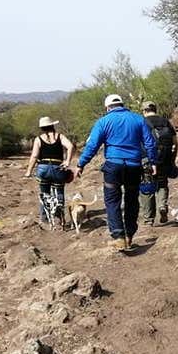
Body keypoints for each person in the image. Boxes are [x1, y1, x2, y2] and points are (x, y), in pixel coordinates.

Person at [74, 94, 157, 251]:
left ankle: (118, 236)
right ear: (122, 104)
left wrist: (81, 164)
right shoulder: (138, 119)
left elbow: (92, 145)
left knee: (112, 201)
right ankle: (129, 236)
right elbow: (150, 143)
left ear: (107, 107)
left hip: (113, 165)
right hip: (134, 165)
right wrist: (153, 162)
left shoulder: (103, 122)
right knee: (132, 199)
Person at [24, 116, 74, 226]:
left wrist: (29, 171)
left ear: (42, 128)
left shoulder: (38, 139)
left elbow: (34, 156)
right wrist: (67, 161)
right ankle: (59, 218)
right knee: (59, 192)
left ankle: (45, 218)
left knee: (44, 194)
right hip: (58, 168)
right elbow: (70, 146)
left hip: (43, 168)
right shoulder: (60, 137)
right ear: (52, 125)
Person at [139, 101, 178, 225]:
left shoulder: (142, 122)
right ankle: (162, 205)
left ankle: (149, 219)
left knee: (147, 187)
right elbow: (175, 142)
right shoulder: (165, 121)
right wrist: (172, 159)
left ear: (144, 111)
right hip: (165, 157)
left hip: (147, 158)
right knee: (162, 183)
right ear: (155, 109)